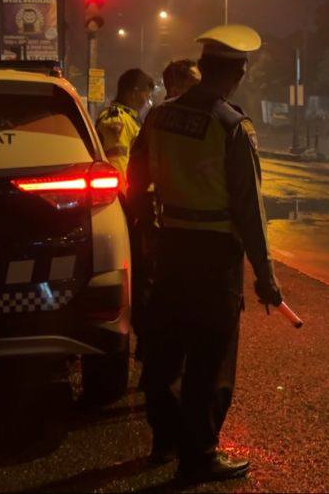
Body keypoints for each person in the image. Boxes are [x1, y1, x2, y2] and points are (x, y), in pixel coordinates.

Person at [126, 24, 283, 483]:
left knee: (167, 347)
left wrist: (149, 229)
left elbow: (135, 183)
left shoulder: (158, 117)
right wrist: (265, 274)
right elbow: (250, 208)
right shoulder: (231, 125)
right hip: (216, 256)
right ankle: (199, 455)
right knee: (211, 358)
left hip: (171, 246)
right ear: (236, 73)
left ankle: (166, 439)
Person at [131, 58, 201, 360]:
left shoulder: (210, 117)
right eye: (193, 84)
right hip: (168, 225)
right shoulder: (160, 119)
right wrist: (143, 218)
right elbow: (137, 173)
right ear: (174, 85)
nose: (200, 90)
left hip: (200, 229)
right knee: (161, 292)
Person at [95, 68, 155, 177]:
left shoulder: (129, 119)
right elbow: (118, 166)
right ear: (134, 93)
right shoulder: (117, 120)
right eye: (147, 96)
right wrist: (126, 193)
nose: (147, 102)